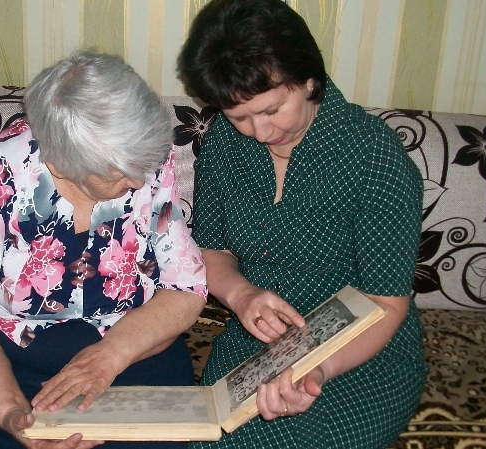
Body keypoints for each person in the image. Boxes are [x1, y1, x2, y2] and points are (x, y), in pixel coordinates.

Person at [0, 51, 208, 449]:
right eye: (120, 173)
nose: (138, 181)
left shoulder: (146, 162)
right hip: (16, 360)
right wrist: (13, 416)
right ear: (59, 165)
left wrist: (110, 356)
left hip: (133, 347)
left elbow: (186, 288)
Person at [177, 0, 427, 448]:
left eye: (272, 110)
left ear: (309, 79)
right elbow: (211, 250)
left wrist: (316, 369)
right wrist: (242, 294)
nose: (259, 131)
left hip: (359, 350)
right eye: (239, 116)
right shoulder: (224, 143)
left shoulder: (374, 156)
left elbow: (386, 304)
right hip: (258, 342)